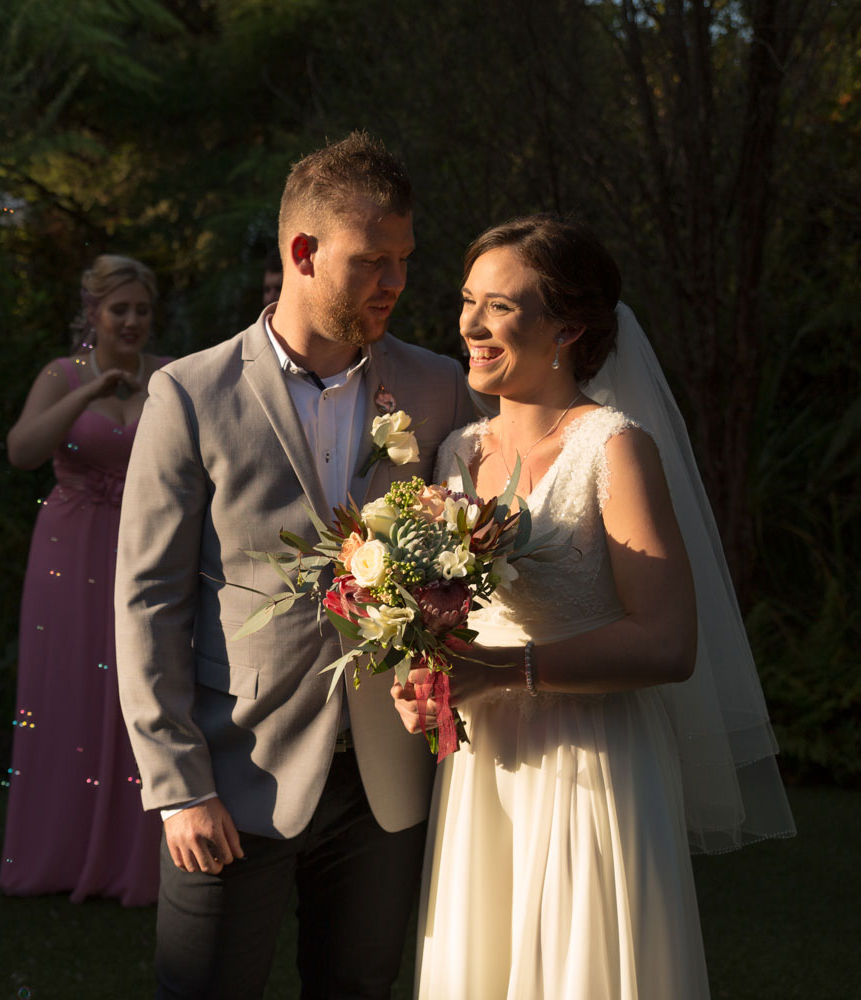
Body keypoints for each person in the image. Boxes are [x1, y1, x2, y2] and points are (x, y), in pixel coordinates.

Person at [114, 132, 479, 998]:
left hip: (386, 786)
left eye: (404, 260)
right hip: (236, 774)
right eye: (372, 261)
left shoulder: (436, 389)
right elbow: (148, 603)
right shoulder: (190, 394)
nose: (395, 282)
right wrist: (177, 787)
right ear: (303, 252)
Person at [393, 215, 795, 997]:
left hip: (592, 760)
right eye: (469, 299)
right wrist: (428, 677)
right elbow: (449, 615)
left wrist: (501, 670)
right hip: (483, 771)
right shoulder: (457, 454)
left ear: (568, 327)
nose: (471, 324)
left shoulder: (614, 447)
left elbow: (669, 645)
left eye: (501, 307)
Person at [0, 254, 168, 906]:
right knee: (68, 684)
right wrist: (87, 395)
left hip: (146, 547)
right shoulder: (60, 375)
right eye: (118, 308)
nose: (130, 320)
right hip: (71, 548)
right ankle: (60, 852)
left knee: (143, 684)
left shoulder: (169, 376)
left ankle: (138, 855)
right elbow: (21, 451)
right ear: (92, 312)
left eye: (141, 309)